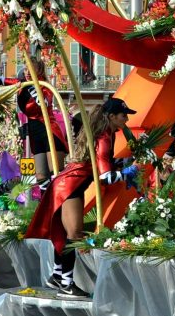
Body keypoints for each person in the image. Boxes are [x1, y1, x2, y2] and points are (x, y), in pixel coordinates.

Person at [26, 97, 137, 298]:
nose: (126, 120)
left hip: (69, 184)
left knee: (67, 232)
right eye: (124, 115)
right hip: (69, 186)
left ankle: (58, 276)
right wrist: (130, 172)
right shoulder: (104, 137)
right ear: (111, 117)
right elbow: (105, 177)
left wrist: (122, 169)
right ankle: (66, 283)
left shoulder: (107, 134)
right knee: (73, 234)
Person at [17, 57, 68, 185]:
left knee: (55, 173)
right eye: (25, 69)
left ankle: (58, 203)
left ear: (38, 70)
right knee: (41, 177)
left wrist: (33, 87)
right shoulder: (22, 85)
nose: (27, 72)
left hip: (49, 131)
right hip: (35, 133)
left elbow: (43, 103)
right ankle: (45, 202)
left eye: (31, 69)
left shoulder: (45, 86)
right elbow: (1, 81)